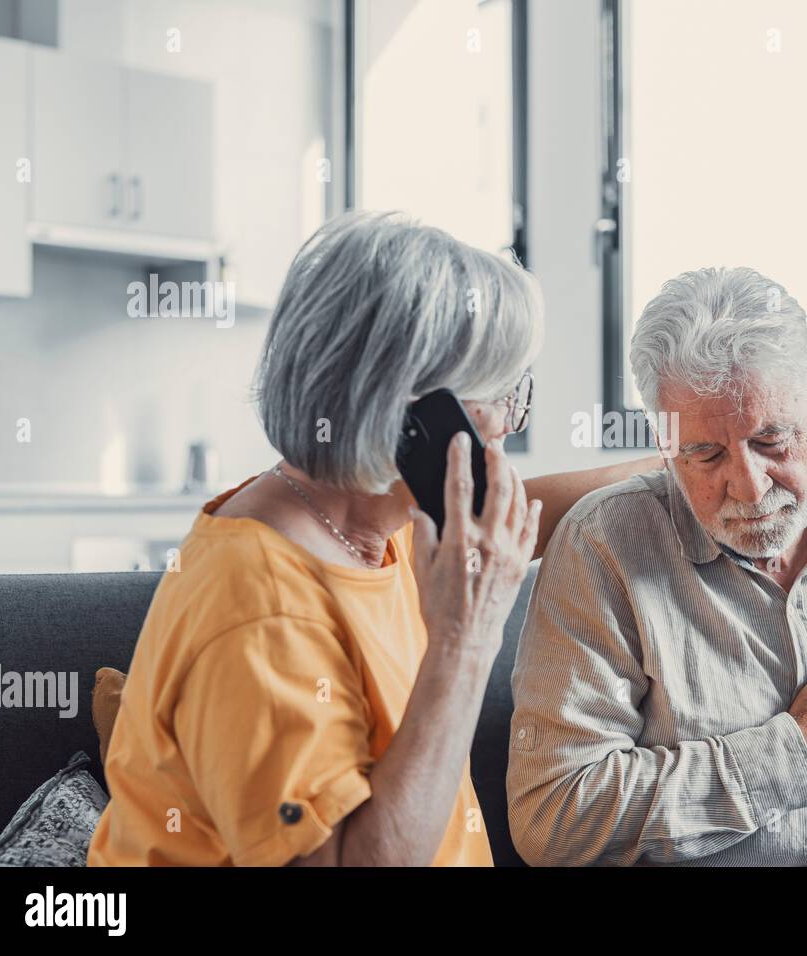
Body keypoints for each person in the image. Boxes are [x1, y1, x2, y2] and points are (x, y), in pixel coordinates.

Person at [88, 211, 654, 866]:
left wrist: (693, 461)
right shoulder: (262, 603)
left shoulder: (363, 519)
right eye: (500, 395)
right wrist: (465, 641)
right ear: (411, 418)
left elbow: (522, 511)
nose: (509, 422)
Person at [507, 266, 807, 866]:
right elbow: (553, 819)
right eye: (705, 454)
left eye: (772, 441)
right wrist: (785, 756)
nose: (748, 487)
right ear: (664, 444)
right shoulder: (600, 546)